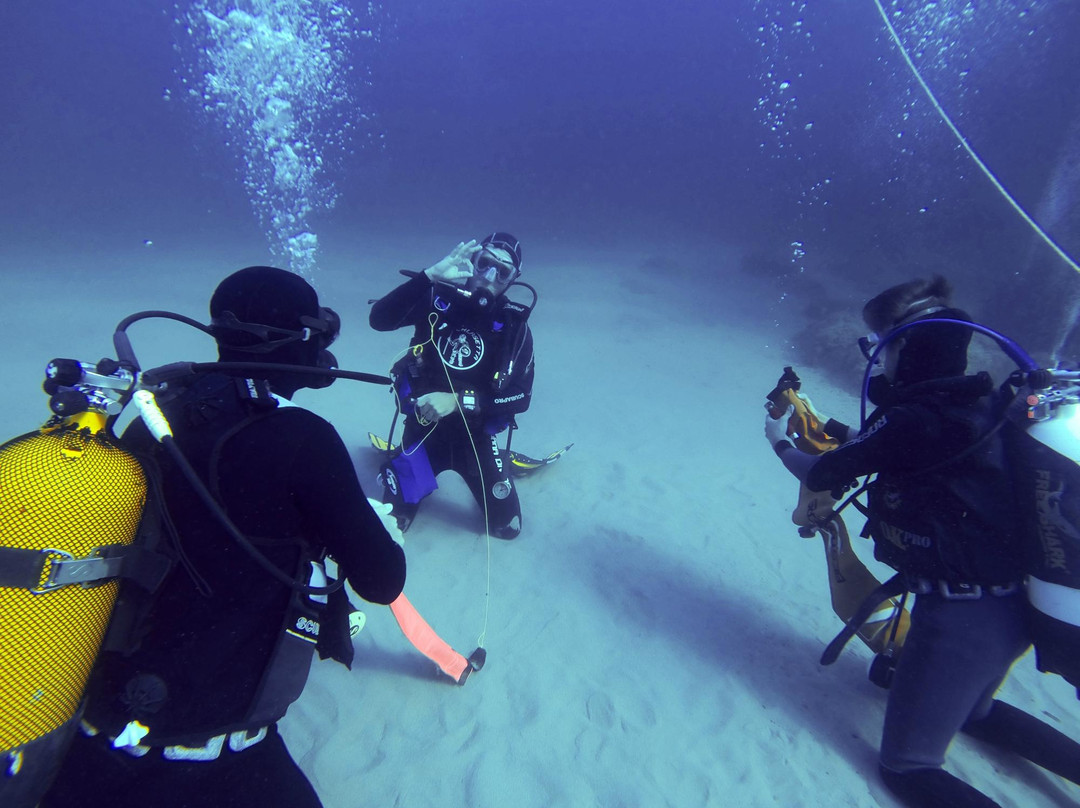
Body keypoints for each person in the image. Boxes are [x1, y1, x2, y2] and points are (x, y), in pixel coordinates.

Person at [42, 266, 407, 808]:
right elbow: (382, 580)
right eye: (317, 333)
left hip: (95, 727)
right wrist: (370, 521)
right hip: (207, 754)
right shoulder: (303, 439)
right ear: (298, 339)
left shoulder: (154, 410)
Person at [764, 276, 1080, 807]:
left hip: (960, 622)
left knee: (908, 767)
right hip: (1010, 613)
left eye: (881, 347)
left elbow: (823, 475)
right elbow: (891, 448)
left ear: (907, 349)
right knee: (974, 714)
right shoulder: (977, 407)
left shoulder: (913, 418)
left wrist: (777, 442)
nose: (878, 360)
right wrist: (826, 422)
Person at [369, 232, 535, 539]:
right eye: (485, 263)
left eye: (502, 271)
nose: (489, 276)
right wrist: (427, 277)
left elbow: (521, 397)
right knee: (394, 520)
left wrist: (457, 400)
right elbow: (379, 319)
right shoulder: (437, 300)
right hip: (422, 431)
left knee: (507, 528)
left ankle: (502, 463)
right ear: (473, 261)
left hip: (477, 440)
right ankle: (404, 461)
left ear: (514, 279)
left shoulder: (515, 328)